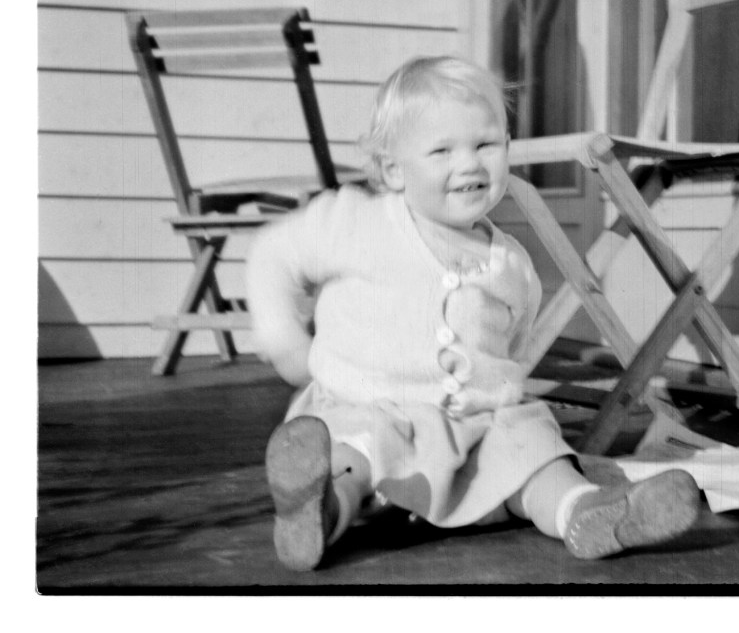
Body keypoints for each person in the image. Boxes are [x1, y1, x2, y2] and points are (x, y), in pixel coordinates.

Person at [247, 55, 701, 571]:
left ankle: (586, 512)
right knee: (353, 455)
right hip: (366, 406)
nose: (469, 164)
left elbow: (514, 345)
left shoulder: (510, 263)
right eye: (442, 150)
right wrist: (287, 342)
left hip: (469, 429)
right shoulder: (358, 223)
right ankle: (319, 510)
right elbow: (272, 254)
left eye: (486, 144)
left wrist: (498, 401)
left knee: (532, 447)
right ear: (394, 168)